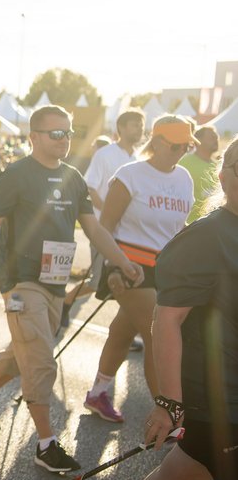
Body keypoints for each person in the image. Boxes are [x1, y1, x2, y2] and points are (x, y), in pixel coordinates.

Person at [0, 105, 142, 473]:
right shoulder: (15, 175)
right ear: (34, 137)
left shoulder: (74, 178)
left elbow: (93, 229)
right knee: (41, 359)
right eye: (55, 133)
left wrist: (122, 261)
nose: (64, 140)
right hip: (20, 282)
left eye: (68, 133)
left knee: (23, 352)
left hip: (55, 283)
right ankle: (45, 443)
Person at [110, 136, 238, 480]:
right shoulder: (206, 238)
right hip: (221, 400)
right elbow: (166, 322)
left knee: (180, 475)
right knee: (181, 474)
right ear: (223, 174)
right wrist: (170, 402)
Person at [83, 115, 196, 423]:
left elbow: (178, 225)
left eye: (187, 145)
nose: (182, 151)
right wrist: (115, 266)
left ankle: (97, 393)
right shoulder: (129, 175)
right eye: (175, 146)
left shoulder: (184, 177)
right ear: (157, 142)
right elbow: (104, 226)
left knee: (123, 329)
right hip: (130, 264)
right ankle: (170, 414)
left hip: (166, 267)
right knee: (157, 335)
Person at [62, 108, 146, 326]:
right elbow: (90, 188)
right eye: (135, 124)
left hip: (129, 233)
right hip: (103, 229)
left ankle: (130, 328)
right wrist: (112, 214)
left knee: (127, 281)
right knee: (98, 280)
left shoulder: (139, 158)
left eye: (142, 125)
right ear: (121, 128)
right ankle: (64, 301)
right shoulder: (105, 154)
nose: (140, 129)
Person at [179, 125, 220, 224]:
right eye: (211, 137)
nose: (216, 140)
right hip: (190, 224)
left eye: (216, 137)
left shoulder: (219, 166)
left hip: (213, 224)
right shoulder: (184, 163)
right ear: (197, 141)